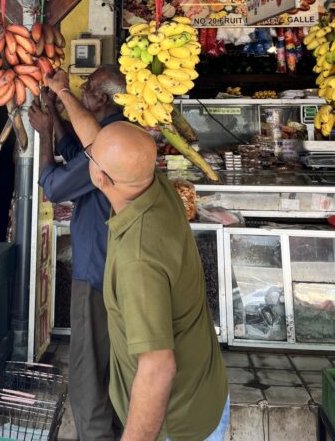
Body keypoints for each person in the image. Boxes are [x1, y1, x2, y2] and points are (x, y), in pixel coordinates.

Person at [46, 69, 229, 441]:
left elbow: (158, 368)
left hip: (177, 428)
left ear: (97, 180)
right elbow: (96, 141)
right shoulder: (155, 186)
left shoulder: (137, 258)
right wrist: (62, 92)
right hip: (205, 398)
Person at [28, 66, 126, 441]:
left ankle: (97, 435)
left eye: (86, 89)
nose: (82, 92)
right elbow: (76, 149)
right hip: (113, 267)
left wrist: (44, 136)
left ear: (101, 99)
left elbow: (53, 187)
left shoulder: (109, 145)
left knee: (88, 369)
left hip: (98, 270)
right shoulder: (114, 133)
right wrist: (54, 115)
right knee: (111, 362)